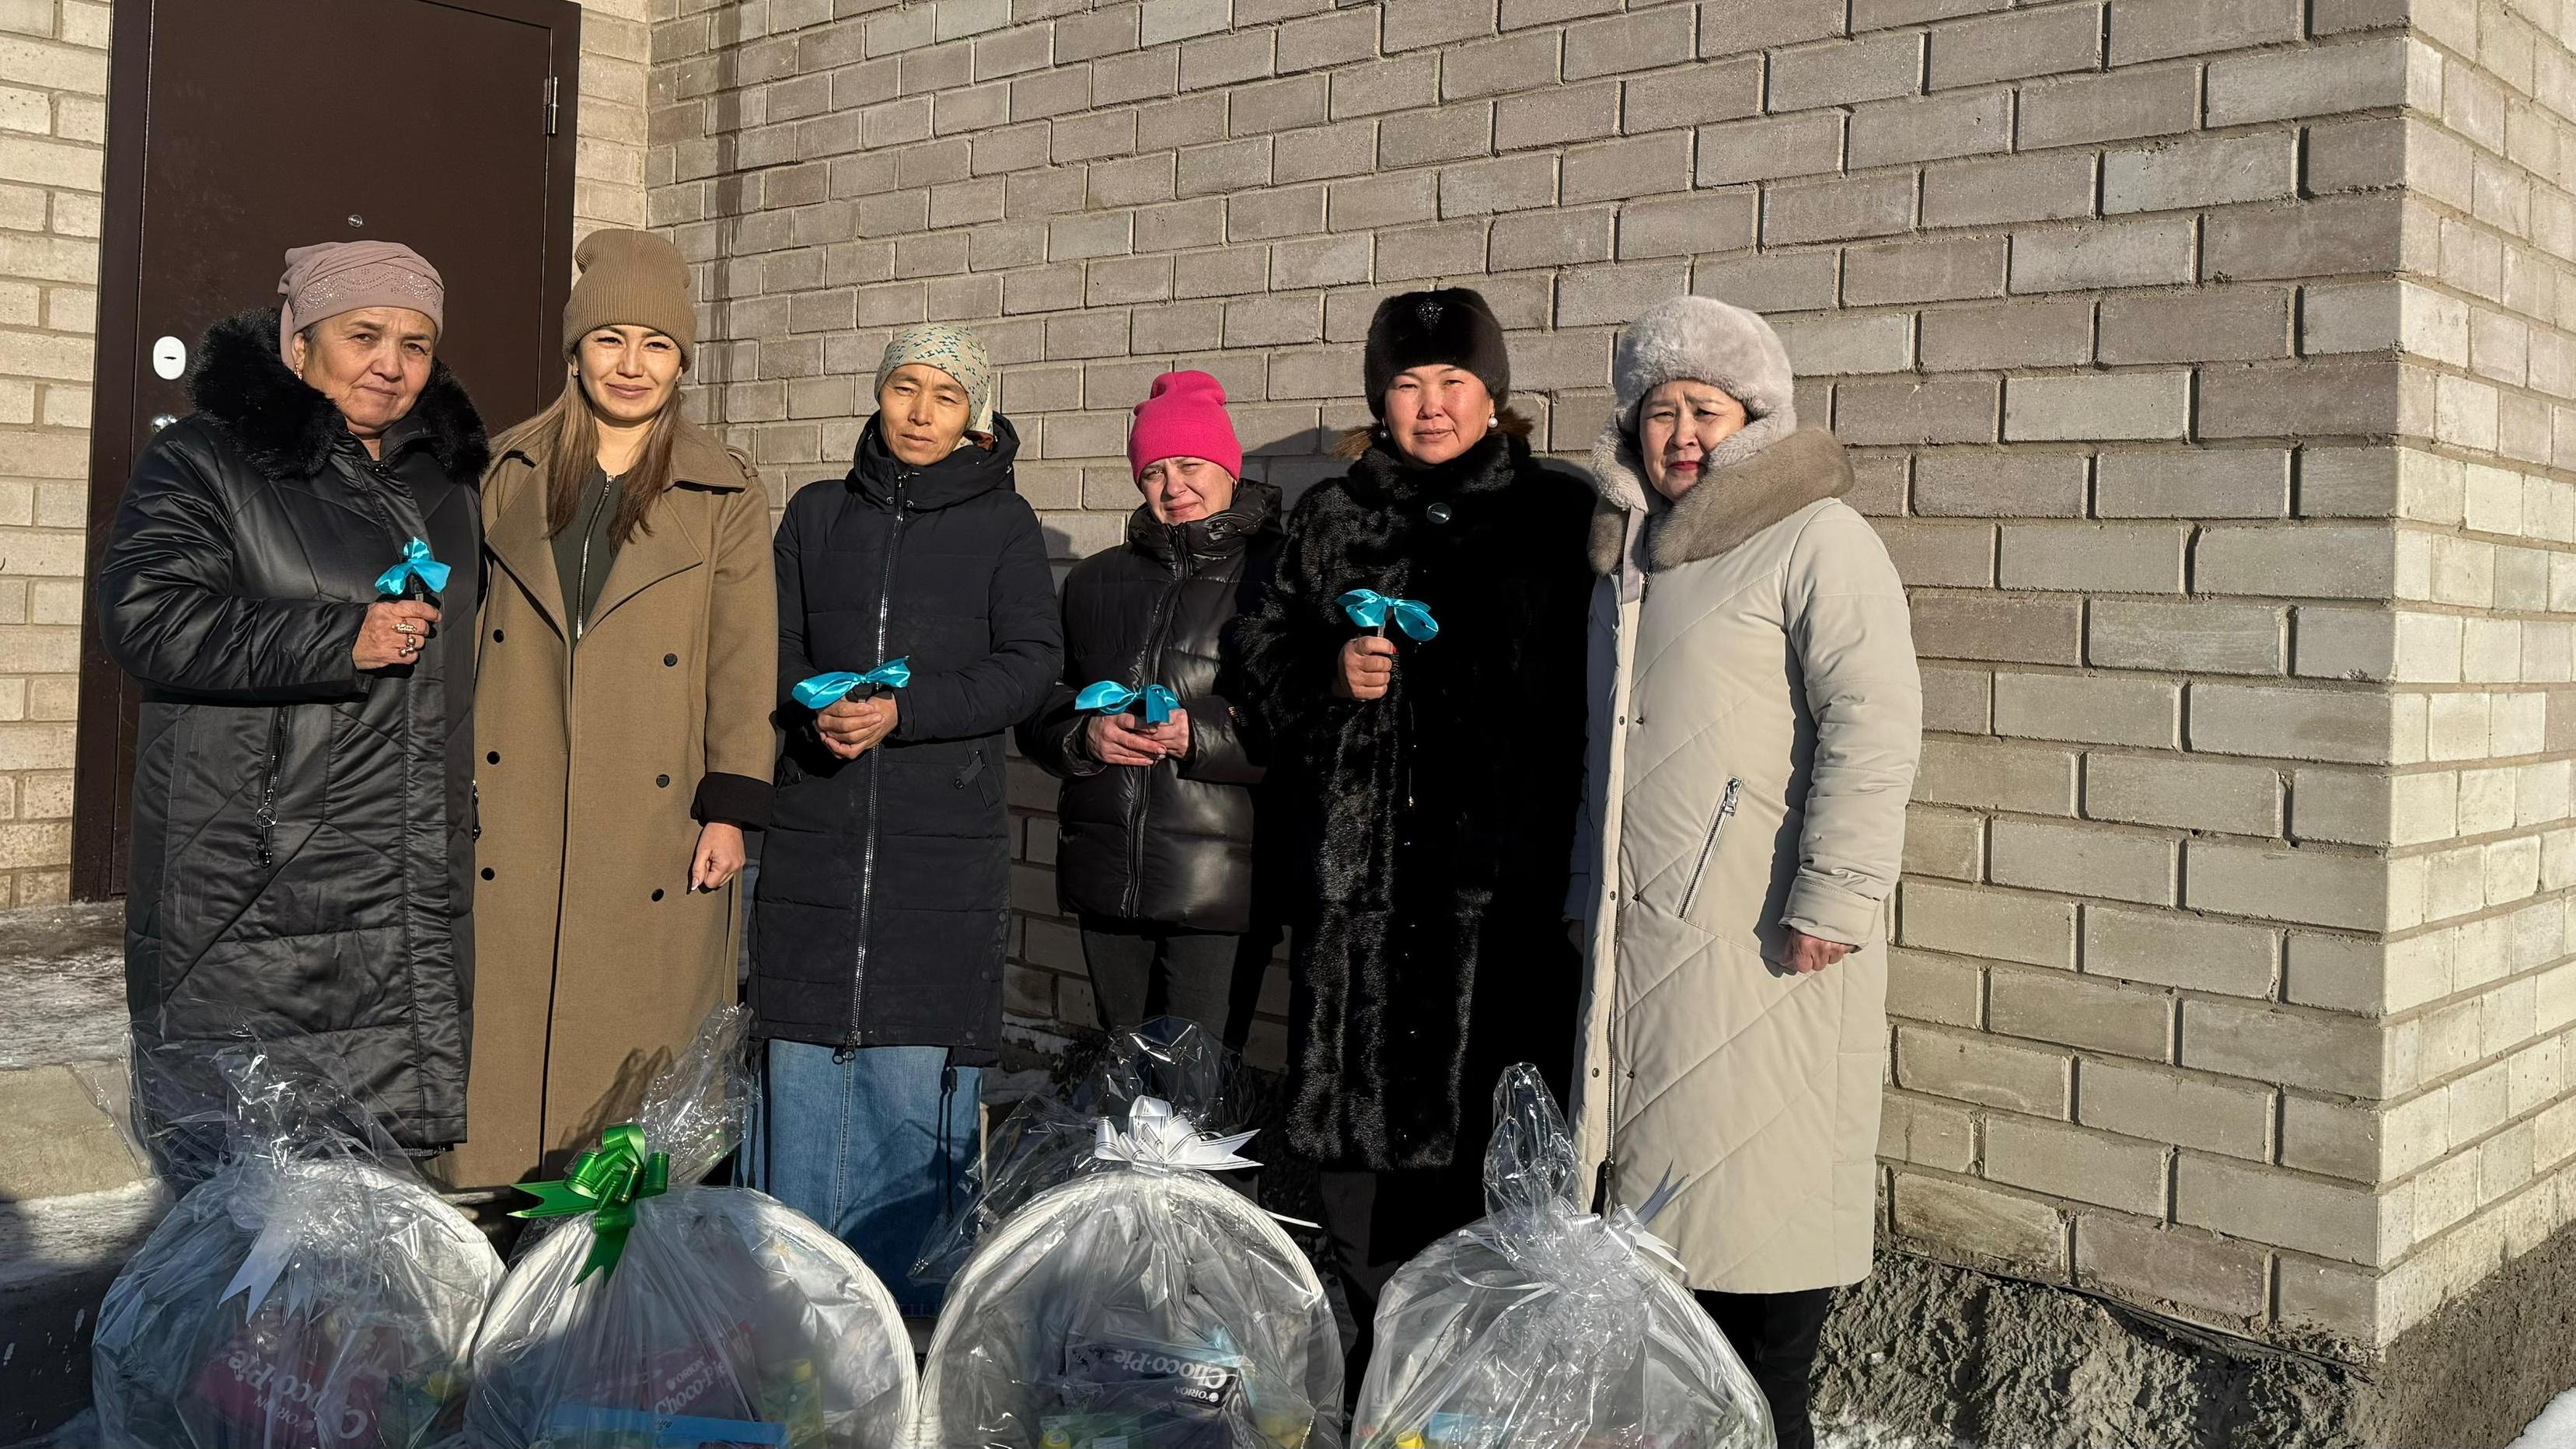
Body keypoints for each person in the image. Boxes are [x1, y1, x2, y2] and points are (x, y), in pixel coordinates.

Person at [1568, 295, 1922, 1449]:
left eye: (1704, 411)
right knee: (1667, 1282)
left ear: (1755, 421)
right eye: (1659, 411)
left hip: (1766, 946)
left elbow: (1874, 724)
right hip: (1649, 952)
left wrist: (1833, 895)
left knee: (1761, 1294)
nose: (1680, 435)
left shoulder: (1818, 538)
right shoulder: (1625, 565)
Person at [1236, 288, 1597, 1370]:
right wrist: (1325, 676)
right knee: (1357, 1172)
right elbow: (1257, 665)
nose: (1430, 405)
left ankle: (1480, 1386)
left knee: (1493, 1162)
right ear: (1376, 397)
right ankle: (1373, 1374)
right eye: (1406, 383)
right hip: (1360, 919)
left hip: (1501, 915)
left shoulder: (1558, 515)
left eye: (1453, 382)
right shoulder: (1329, 517)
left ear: (1495, 394)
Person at [95, 243, 486, 1175]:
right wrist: (333, 639)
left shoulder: (443, 479)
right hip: (255, 889)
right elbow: (144, 616)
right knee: (248, 1230)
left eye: (417, 344)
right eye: (364, 335)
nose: (392, 363)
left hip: (401, 887)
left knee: (374, 1239)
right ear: (298, 344)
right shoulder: (203, 460)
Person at [445, 229, 777, 1189]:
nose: (631, 365)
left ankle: (616, 1267)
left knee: (633, 1050)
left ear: (683, 361)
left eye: (657, 344)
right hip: (511, 804)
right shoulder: (501, 471)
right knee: (498, 1057)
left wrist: (729, 806)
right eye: (610, 340)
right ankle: (497, 1237)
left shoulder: (725, 490)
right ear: (575, 351)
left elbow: (742, 654)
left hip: (653, 819)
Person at [751, 324, 1062, 1315]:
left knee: (911, 1068)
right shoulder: (814, 515)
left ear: (975, 415)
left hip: (940, 847)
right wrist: (815, 704)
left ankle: (910, 1319)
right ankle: (784, 1308)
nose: (920, 412)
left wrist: (906, 710)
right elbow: (769, 641)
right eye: (903, 388)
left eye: (945, 395)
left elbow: (1027, 664)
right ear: (877, 394)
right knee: (800, 1058)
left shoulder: (1003, 526)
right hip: (818, 829)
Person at [1017, 372, 1284, 1050]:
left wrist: (1199, 735)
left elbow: (1305, 719)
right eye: (1154, 472)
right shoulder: (1093, 580)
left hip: (1219, 885)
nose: (1174, 488)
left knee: (1195, 1084)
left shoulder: (1277, 575)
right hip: (1108, 871)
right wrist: (1085, 735)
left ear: (1228, 465)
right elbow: (1038, 706)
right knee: (1123, 1071)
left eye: (1191, 465)